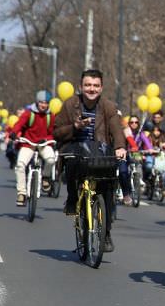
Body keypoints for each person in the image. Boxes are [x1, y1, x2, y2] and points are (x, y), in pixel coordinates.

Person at [52, 69, 127, 252]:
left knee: (108, 188)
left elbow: (117, 129)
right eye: (87, 85)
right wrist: (75, 127)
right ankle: (72, 198)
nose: (91, 89)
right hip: (75, 148)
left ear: (101, 88)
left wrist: (119, 147)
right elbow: (57, 132)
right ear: (80, 86)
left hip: (99, 150)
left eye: (95, 85)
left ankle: (106, 232)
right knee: (71, 160)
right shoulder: (70, 104)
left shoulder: (108, 106)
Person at [8, 90, 57, 206]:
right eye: (41, 102)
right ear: (37, 102)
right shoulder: (28, 113)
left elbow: (52, 132)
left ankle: (45, 177)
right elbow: (19, 124)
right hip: (28, 143)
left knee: (51, 159)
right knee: (20, 165)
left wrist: (47, 139)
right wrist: (14, 133)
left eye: (46, 103)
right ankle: (22, 193)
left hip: (44, 144)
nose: (43, 105)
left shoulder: (51, 116)